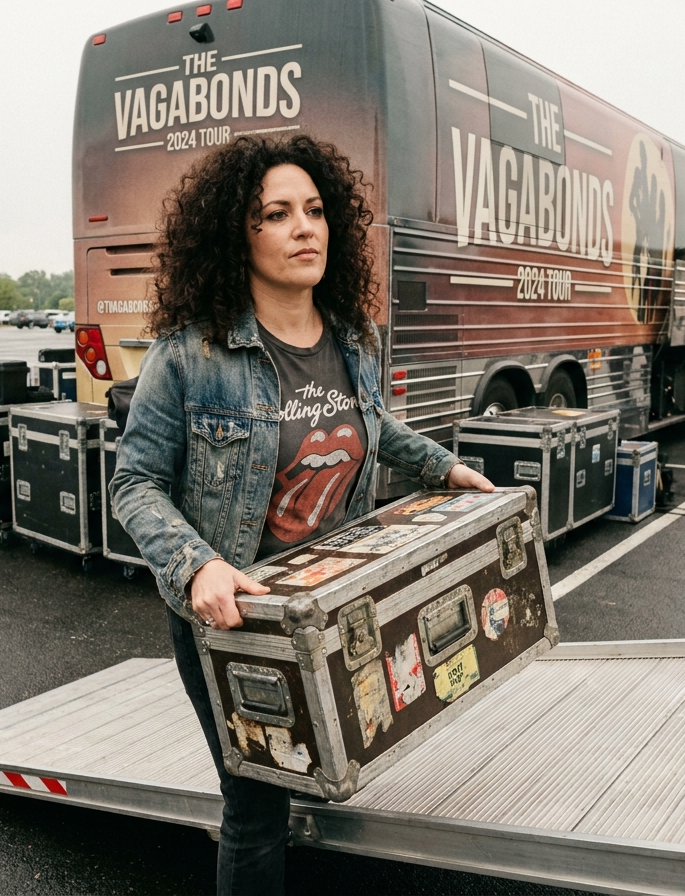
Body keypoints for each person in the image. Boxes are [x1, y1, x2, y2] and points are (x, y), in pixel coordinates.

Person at [109, 135, 493, 895]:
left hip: (326, 604)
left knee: (319, 774)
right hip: (236, 616)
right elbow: (134, 483)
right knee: (255, 801)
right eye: (277, 214)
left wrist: (441, 466)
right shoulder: (191, 356)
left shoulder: (353, 338)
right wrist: (199, 568)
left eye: (314, 211)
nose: (304, 227)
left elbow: (375, 422)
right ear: (237, 235)